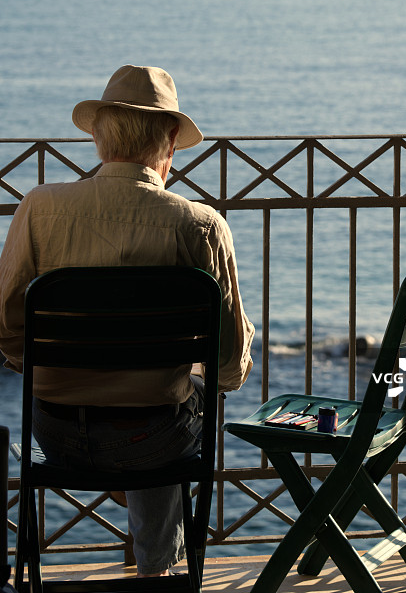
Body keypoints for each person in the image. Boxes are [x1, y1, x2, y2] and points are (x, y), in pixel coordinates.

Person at [0, 65, 254, 577]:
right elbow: (228, 361)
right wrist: (207, 376)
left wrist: (41, 362)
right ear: (170, 147)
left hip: (57, 432)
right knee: (183, 391)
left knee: (157, 395)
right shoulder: (201, 225)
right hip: (154, 441)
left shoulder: (41, 207)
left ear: (97, 137)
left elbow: (5, 323)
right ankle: (157, 569)